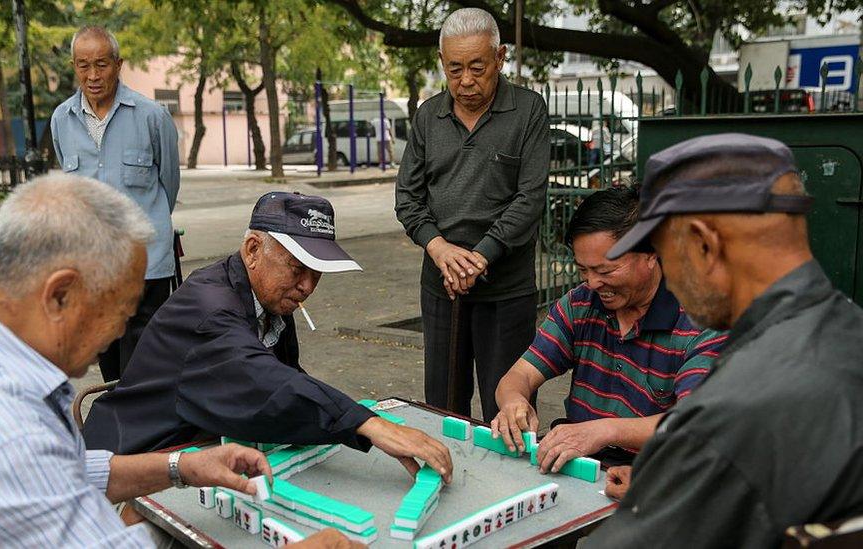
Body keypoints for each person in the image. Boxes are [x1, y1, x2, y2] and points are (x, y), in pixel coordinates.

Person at [0, 175, 354, 548]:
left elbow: (62, 471)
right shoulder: (2, 433)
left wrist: (181, 467)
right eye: (121, 309)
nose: (122, 331)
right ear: (60, 295)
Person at [583, 133, 863, 548]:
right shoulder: (848, 329)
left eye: (664, 254)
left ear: (704, 244)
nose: (669, 278)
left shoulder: (735, 409)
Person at [84, 191, 454, 483]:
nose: (307, 286)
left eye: (317, 272)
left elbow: (288, 376)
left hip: (204, 445)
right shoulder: (210, 306)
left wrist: (353, 417)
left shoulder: (268, 295)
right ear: (253, 250)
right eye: (297, 269)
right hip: (133, 460)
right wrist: (367, 424)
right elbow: (263, 379)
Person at [491, 187, 724, 470]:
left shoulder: (703, 322)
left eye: (605, 271)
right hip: (582, 462)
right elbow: (519, 374)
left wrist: (604, 431)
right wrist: (513, 402)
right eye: (582, 270)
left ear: (652, 253)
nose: (591, 283)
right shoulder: (580, 304)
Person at [395, 7, 549, 421]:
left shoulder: (529, 110)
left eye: (477, 67)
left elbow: (530, 198)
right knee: (443, 406)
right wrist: (440, 248)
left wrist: (481, 256)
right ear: (442, 64)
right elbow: (408, 198)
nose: (466, 81)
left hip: (506, 290)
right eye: (455, 68)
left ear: (499, 58)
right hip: (441, 285)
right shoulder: (429, 115)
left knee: (509, 408)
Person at [50, 26, 180, 382]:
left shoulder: (152, 116)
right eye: (83, 65)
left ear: (118, 64)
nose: (93, 76)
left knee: (145, 365)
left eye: (102, 65)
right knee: (107, 364)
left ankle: (148, 436)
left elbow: (169, 183)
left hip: (148, 266)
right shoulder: (61, 119)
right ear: (74, 67)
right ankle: (117, 434)